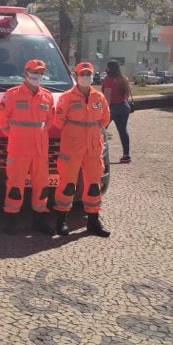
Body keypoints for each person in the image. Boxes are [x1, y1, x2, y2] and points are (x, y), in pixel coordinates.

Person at [0, 59, 55, 235]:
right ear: (26, 74)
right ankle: (12, 220)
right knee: (15, 184)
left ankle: (39, 220)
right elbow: (1, 118)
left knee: (41, 185)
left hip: (39, 150)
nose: (37, 76)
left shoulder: (47, 96)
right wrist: (12, 135)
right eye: (34, 72)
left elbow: (50, 120)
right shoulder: (12, 94)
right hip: (19, 148)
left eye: (40, 73)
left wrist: (40, 133)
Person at [54, 62, 111, 237]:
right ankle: (61, 221)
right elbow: (58, 122)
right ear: (76, 75)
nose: (86, 76)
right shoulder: (67, 97)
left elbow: (105, 120)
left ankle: (93, 221)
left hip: (93, 149)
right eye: (83, 74)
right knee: (68, 185)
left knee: (93, 185)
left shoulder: (99, 97)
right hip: (72, 148)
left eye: (89, 73)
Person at [102, 60, 132, 164]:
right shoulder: (123, 78)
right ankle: (126, 155)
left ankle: (98, 154)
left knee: (101, 130)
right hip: (124, 107)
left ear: (109, 68)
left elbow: (107, 96)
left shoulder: (108, 80)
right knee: (123, 131)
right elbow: (126, 94)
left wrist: (105, 110)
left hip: (112, 108)